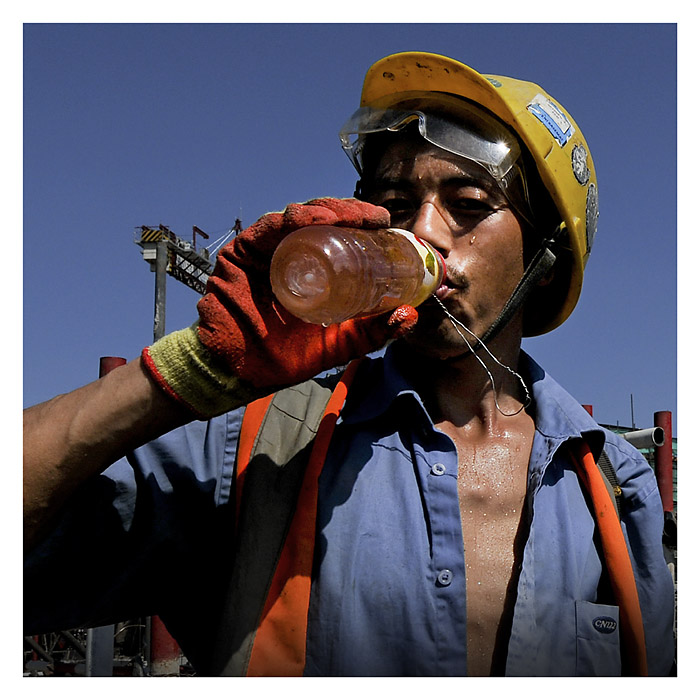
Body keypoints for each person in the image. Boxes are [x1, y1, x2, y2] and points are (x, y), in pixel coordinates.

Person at [23, 51, 675, 677]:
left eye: (469, 202)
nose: (423, 232)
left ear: (545, 259)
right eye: (395, 200)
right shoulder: (263, 447)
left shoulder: (612, 487)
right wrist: (186, 373)